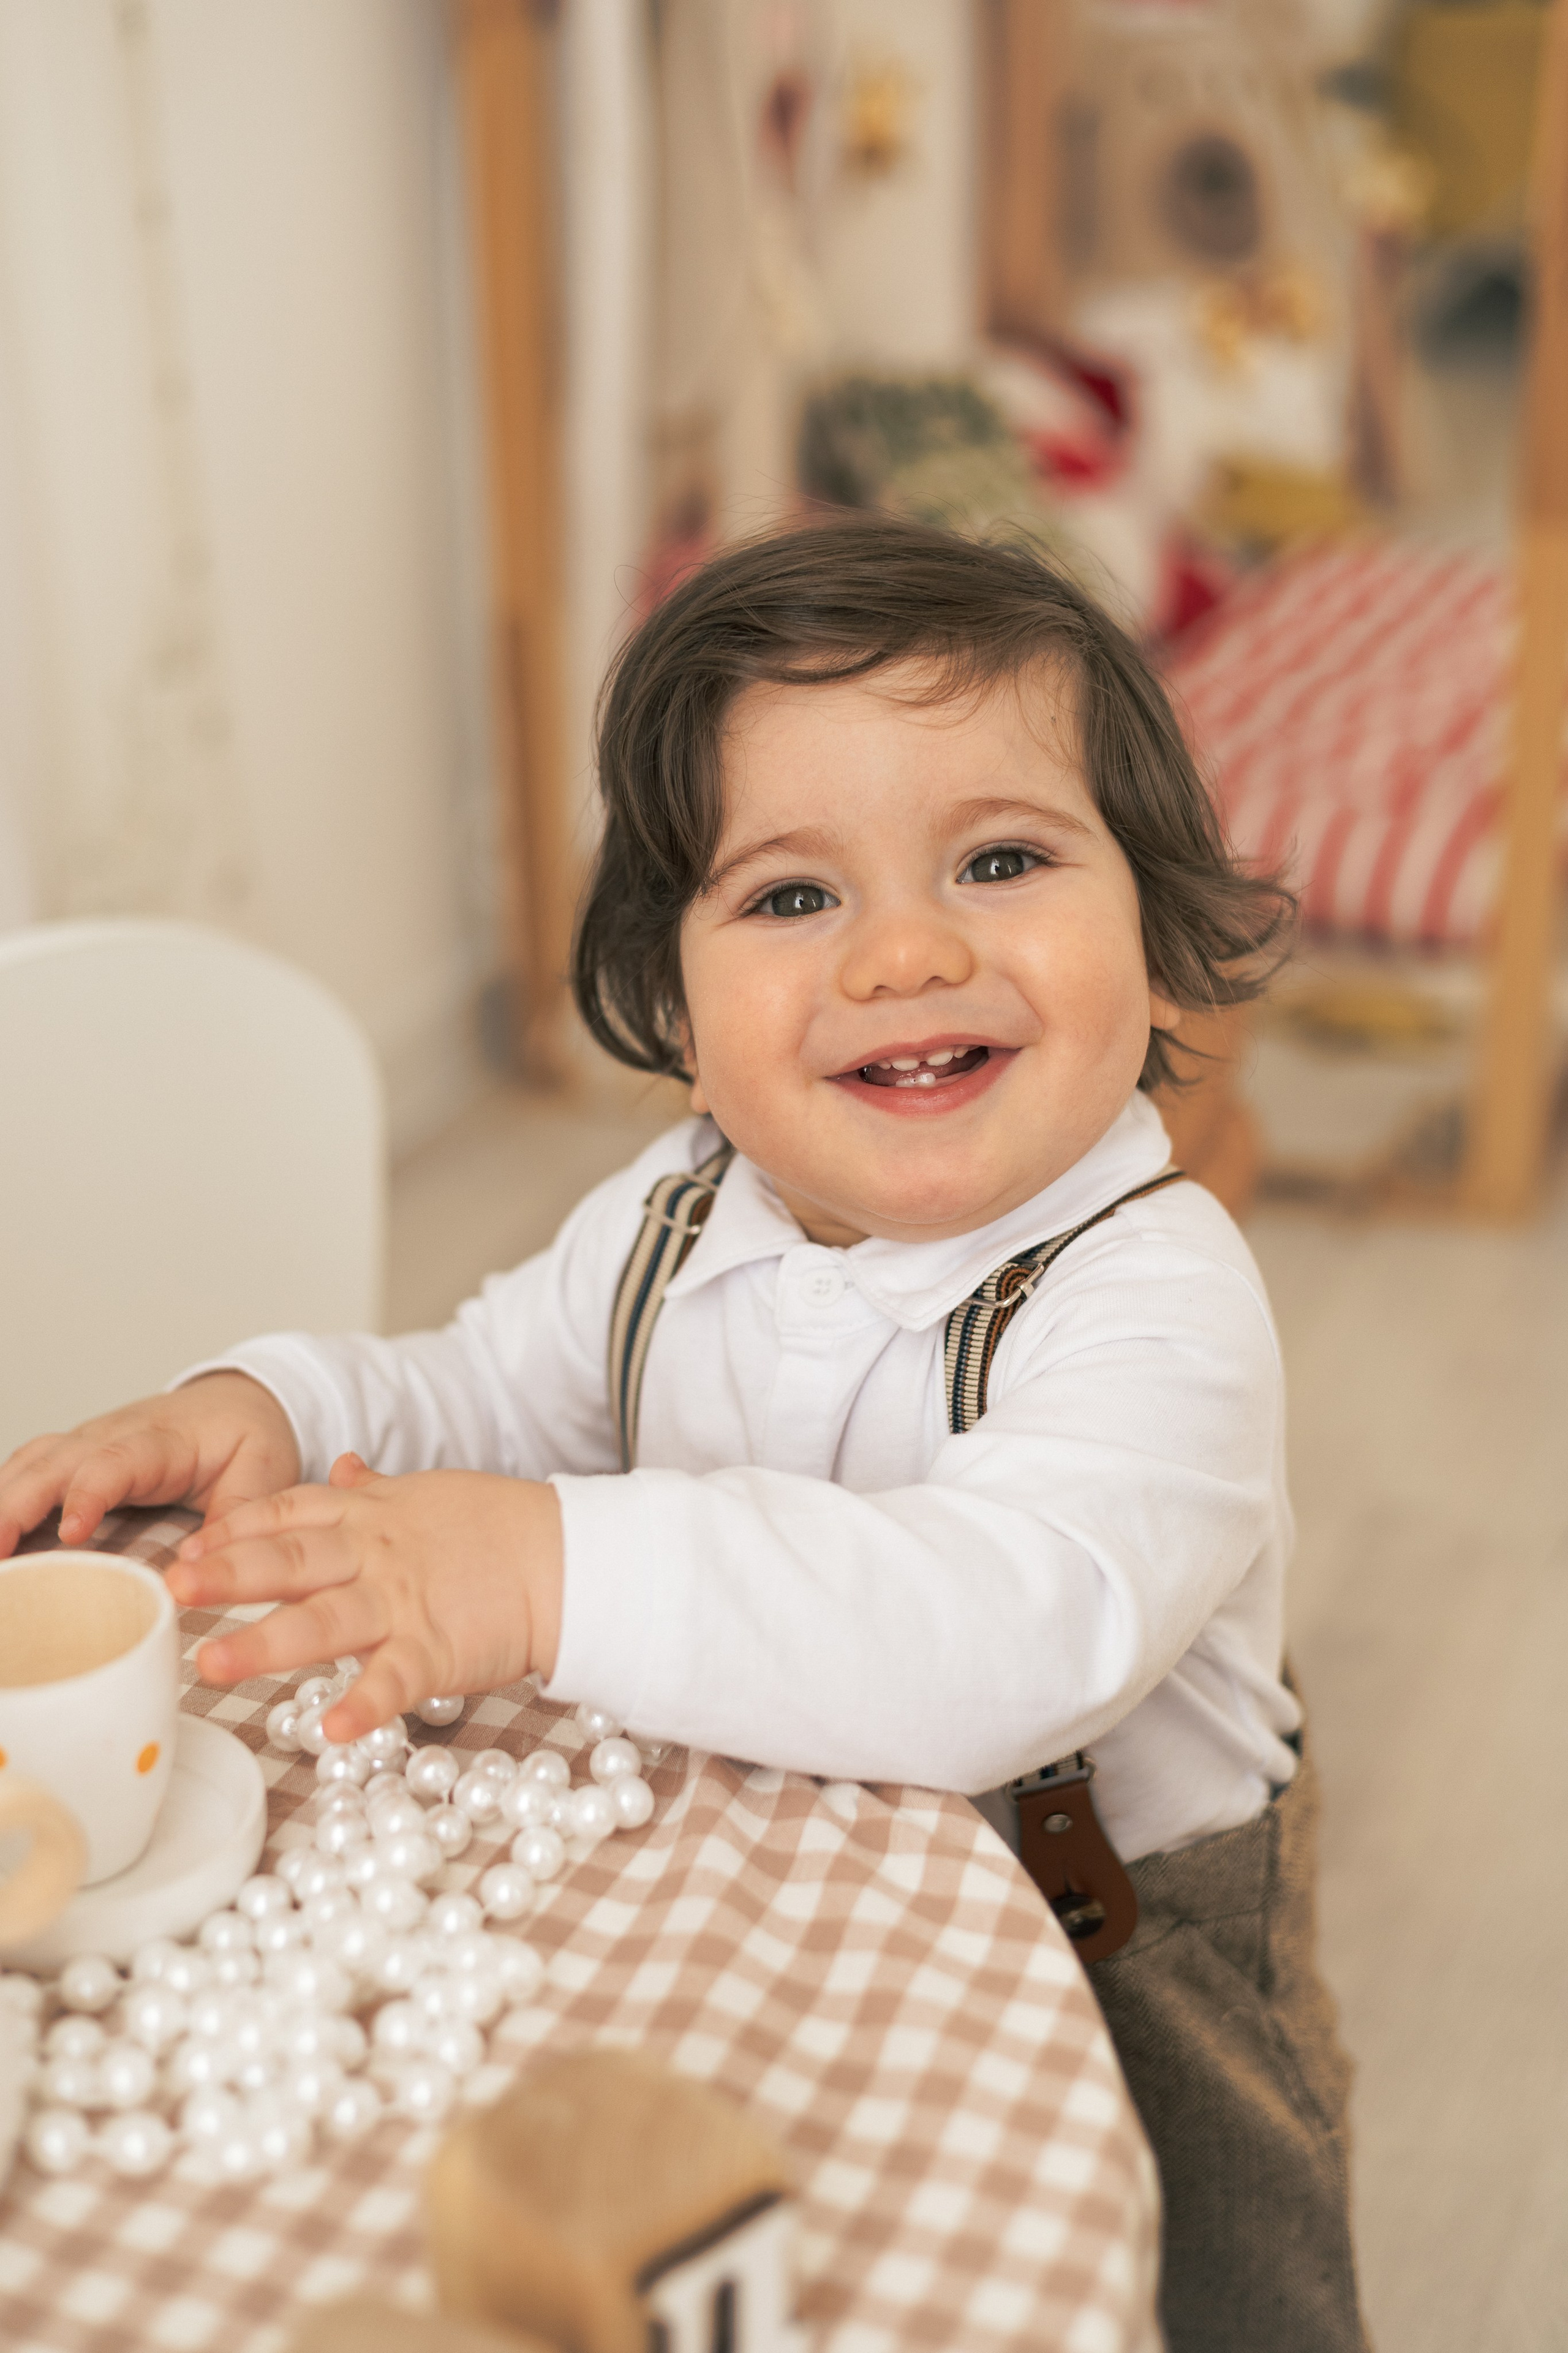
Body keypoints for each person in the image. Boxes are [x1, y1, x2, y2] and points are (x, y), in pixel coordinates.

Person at [0, 518, 1366, 2352]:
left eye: (1002, 857)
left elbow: (997, 1637)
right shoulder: (678, 1209)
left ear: (1156, 916)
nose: (903, 949)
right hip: (806, 1912)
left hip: (1120, 1959)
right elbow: (483, 1384)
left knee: (1220, 2297)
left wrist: (539, 1566)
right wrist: (284, 1406)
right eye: (793, 896)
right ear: (679, 999)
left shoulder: (1155, 1298)